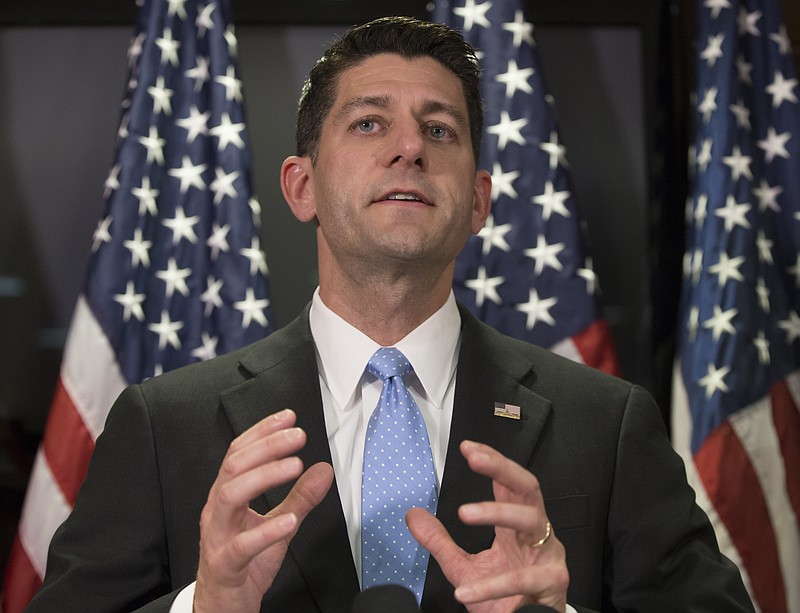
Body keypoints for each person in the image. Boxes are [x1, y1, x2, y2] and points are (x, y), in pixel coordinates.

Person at [27, 16, 753, 613]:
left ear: (476, 202)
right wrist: (204, 604)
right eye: (370, 124)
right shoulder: (161, 425)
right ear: (301, 186)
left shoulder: (610, 425)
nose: (409, 147)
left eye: (440, 131)